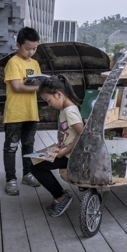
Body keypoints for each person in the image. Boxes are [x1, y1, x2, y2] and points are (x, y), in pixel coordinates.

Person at [30, 75, 84, 217]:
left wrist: (64, 150)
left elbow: (82, 134)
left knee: (36, 167)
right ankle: (60, 195)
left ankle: (61, 197)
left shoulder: (69, 111)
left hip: (70, 155)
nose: (49, 104)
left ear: (58, 94)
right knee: (35, 161)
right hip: (63, 151)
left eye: (49, 100)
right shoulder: (65, 109)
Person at [3, 27, 42, 195]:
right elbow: (17, 86)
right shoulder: (13, 63)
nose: (31, 52)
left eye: (34, 48)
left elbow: (39, 83)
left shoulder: (35, 64)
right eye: (27, 48)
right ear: (18, 45)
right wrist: (37, 86)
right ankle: (10, 180)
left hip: (30, 112)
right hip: (15, 113)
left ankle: (27, 174)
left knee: (29, 146)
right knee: (11, 147)